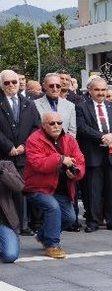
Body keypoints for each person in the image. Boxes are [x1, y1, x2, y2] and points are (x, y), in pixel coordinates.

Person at [24, 112, 85, 259]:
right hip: (38, 187)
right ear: (44, 125)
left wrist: (76, 173)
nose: (56, 126)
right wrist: (60, 159)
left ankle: (44, 234)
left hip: (61, 189)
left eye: (59, 123)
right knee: (53, 207)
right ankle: (52, 245)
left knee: (70, 218)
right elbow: (39, 164)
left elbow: (80, 161)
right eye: (52, 123)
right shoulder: (34, 139)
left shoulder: (70, 139)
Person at [76, 76, 112, 233]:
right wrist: (101, 137)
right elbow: (82, 127)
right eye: (97, 90)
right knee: (94, 190)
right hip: (93, 153)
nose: (100, 93)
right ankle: (93, 221)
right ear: (90, 91)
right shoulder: (82, 107)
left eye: (103, 90)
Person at [0, 69, 41, 236]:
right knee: (4, 193)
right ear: (1, 85)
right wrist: (8, 146)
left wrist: (24, 145)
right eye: (6, 83)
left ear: (19, 83)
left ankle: (22, 225)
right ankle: (6, 225)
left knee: (21, 190)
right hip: (3, 156)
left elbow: (36, 127)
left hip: (23, 156)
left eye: (14, 82)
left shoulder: (29, 104)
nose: (11, 85)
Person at [0, 160, 23, 263]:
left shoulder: (6, 165)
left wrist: (2, 172)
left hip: (3, 223)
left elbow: (19, 186)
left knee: (10, 255)